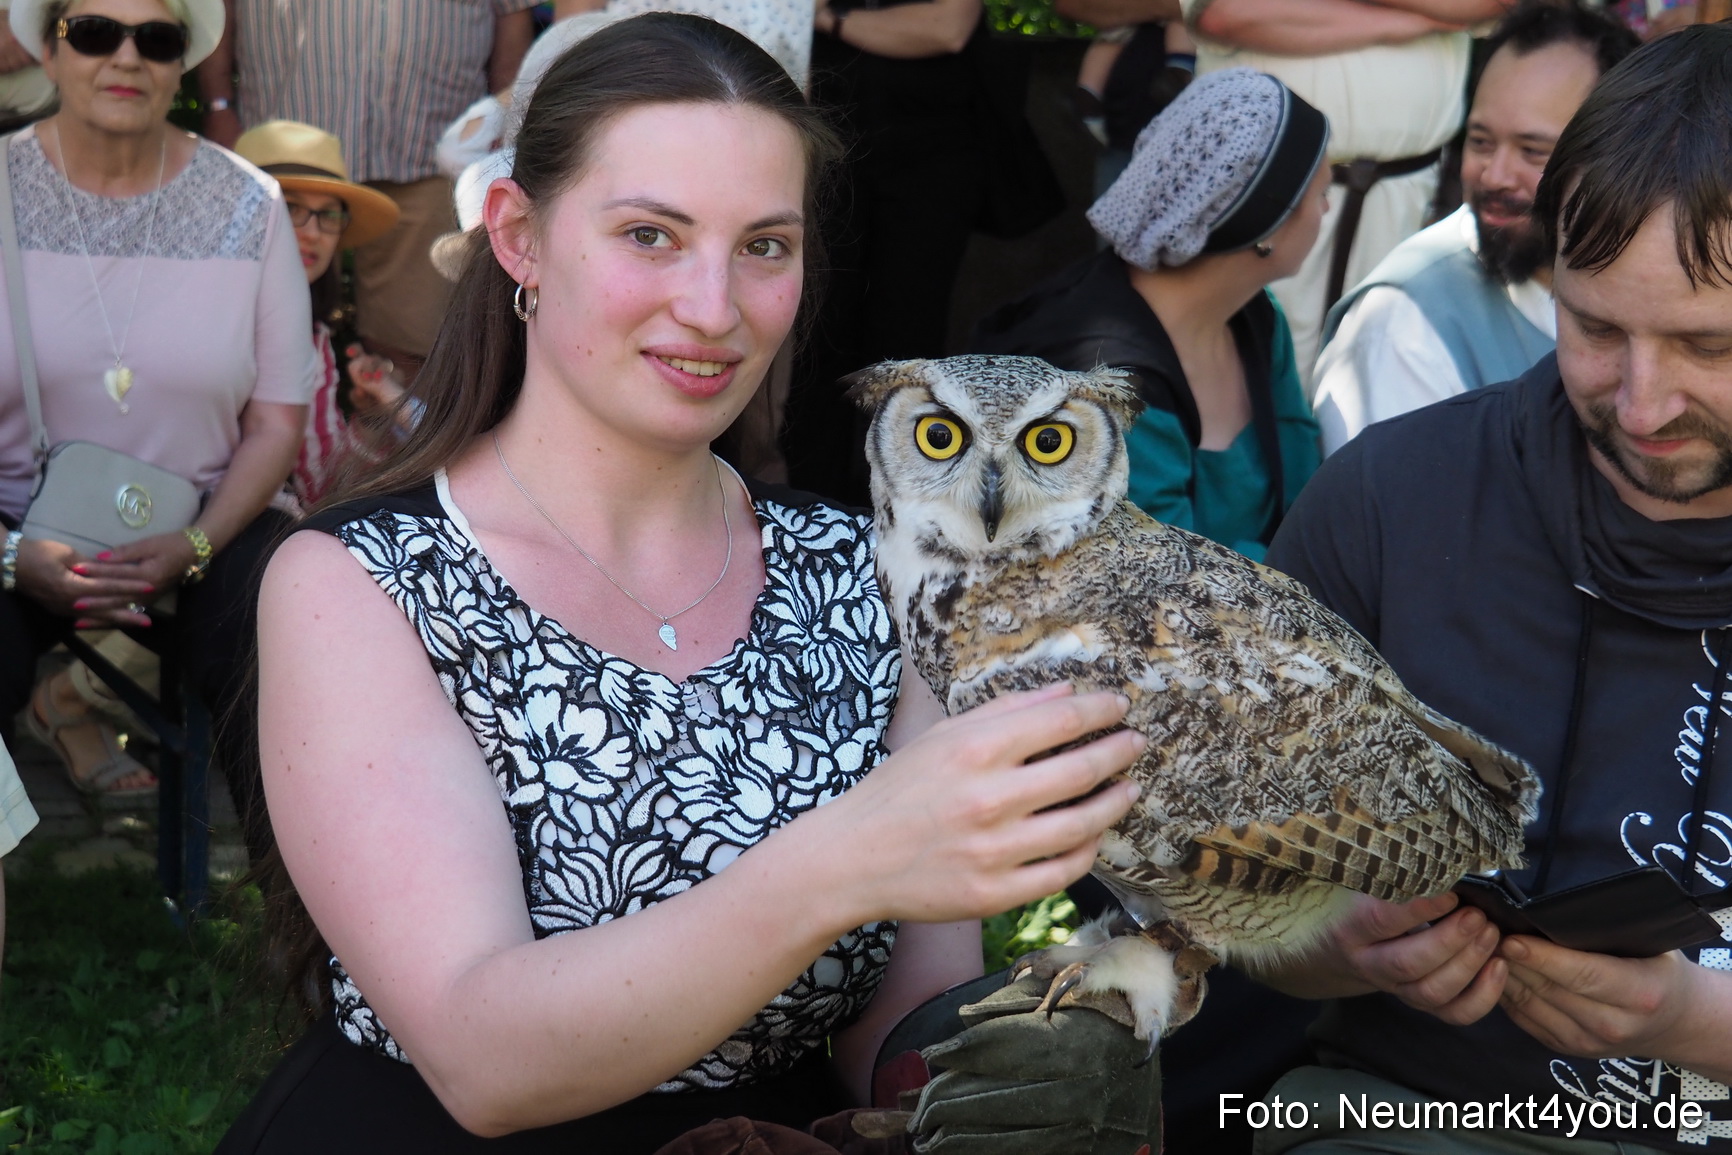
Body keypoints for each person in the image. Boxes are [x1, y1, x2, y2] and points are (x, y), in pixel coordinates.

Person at [217, 15, 1145, 1150]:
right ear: (518, 236)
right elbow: (483, 1058)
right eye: (650, 235)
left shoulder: (868, 577)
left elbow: (896, 1018)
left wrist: (1014, 1066)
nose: (714, 308)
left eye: (764, 246)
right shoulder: (356, 581)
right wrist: (850, 853)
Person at [1256, 24, 1732, 1153]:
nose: (1641, 403)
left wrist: (1695, 1022)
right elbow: (1213, 897)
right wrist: (1342, 944)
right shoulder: (1390, 502)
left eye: (1708, 347)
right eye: (1594, 326)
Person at [0, 0, 313, 853]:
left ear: (181, 67)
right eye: (95, 32)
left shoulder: (250, 202)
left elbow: (278, 420)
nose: (125, 57)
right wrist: (11, 552)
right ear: (48, 49)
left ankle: (320, 935)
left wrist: (197, 545)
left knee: (290, 655)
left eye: (158, 39)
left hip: (211, 522)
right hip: (17, 530)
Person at [974, 68, 1328, 563]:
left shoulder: (1254, 316)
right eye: (1320, 194)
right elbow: (1173, 582)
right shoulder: (1108, 389)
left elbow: (1305, 481)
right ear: (1266, 225)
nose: (1327, 208)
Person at [1312, 1, 1637, 456]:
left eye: (1532, 151)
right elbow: (1390, 522)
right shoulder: (1403, 325)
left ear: (1618, 156)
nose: (1494, 176)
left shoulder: (1645, 276)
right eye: (1481, 142)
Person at [782, 0, 1065, 505]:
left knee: (905, 344)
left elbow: (945, 28)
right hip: (826, 151)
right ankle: (807, 508)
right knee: (814, 337)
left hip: (930, 157)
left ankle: (898, 505)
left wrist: (824, 18)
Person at [195, 0, 538, 382]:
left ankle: (394, 436)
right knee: (261, 336)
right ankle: (281, 435)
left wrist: (505, 126)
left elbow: (512, 8)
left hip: (430, 152)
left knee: (416, 352)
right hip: (287, 155)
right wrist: (218, 105)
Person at [1181, 0, 1513, 383]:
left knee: (1392, 382)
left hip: (1412, 198)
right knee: (1249, 381)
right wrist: (1420, 20)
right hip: (1269, 198)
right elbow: (1226, 14)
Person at [232, 120, 403, 510]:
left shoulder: (311, 337)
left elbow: (323, 488)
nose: (313, 233)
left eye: (329, 215)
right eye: (290, 208)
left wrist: (375, 417)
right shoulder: (179, 309)